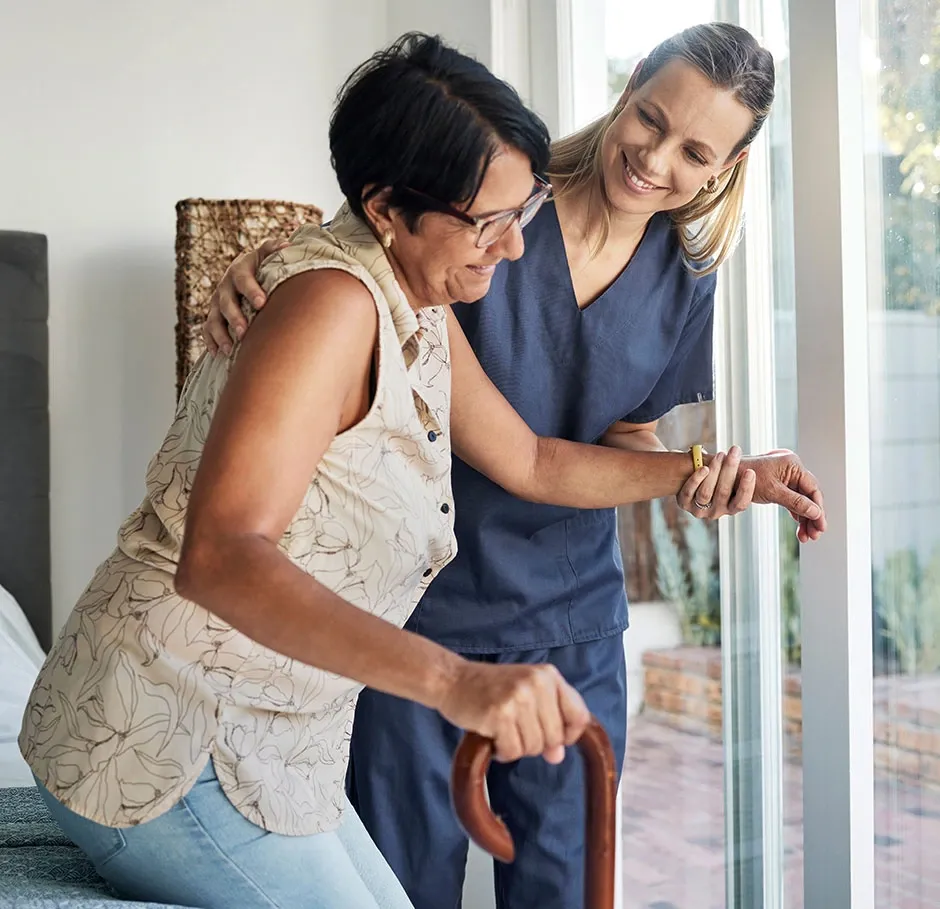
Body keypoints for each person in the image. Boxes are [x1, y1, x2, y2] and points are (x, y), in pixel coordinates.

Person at [17, 32, 820, 909]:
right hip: (178, 725)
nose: (515, 247)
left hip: (295, 727)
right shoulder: (334, 300)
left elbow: (531, 458)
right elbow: (220, 553)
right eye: (492, 222)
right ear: (390, 211)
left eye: (519, 214)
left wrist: (714, 473)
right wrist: (454, 678)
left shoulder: (427, 301)